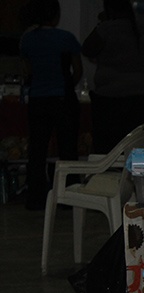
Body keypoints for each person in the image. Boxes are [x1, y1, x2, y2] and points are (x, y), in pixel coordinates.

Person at [19, 0, 82, 210]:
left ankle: (35, 198)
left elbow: (29, 72)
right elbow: (77, 70)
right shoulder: (66, 38)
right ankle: (70, 196)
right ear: (55, 15)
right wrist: (65, 85)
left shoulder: (27, 40)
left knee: (37, 150)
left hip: (38, 98)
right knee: (67, 149)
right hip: (62, 98)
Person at [82, 0, 144, 154]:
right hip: (139, 96)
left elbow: (87, 49)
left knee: (105, 144)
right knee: (134, 141)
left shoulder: (106, 30)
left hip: (108, 96)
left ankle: (105, 173)